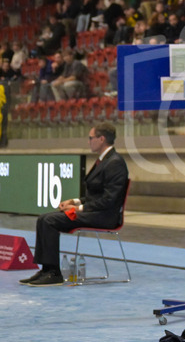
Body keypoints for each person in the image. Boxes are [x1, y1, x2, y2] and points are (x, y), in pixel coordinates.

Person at [21, 122, 130, 287]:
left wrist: (78, 208)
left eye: (91, 138)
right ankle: (46, 269)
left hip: (104, 217)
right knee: (43, 219)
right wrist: (75, 201)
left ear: (101, 139)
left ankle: (54, 273)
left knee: (50, 221)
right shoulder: (104, 160)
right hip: (94, 212)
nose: (89, 141)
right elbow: (96, 195)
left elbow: (109, 200)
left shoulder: (115, 163)